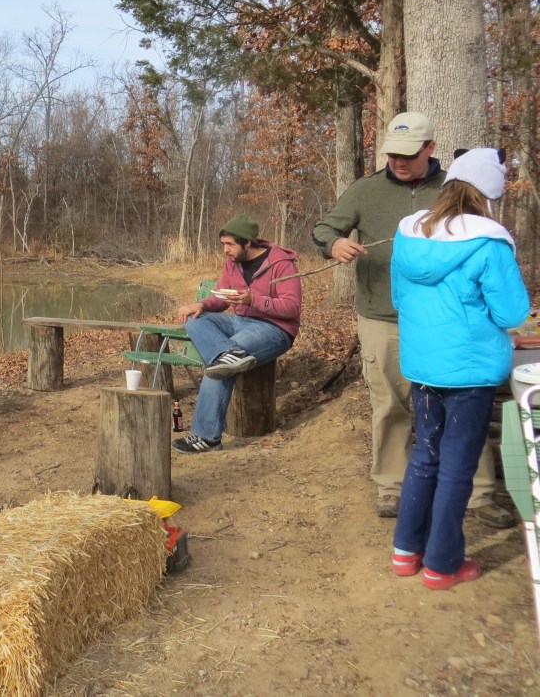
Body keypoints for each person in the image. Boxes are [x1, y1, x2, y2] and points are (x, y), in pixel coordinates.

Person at [312, 112, 513, 526]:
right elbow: (324, 229)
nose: (399, 162)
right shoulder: (365, 190)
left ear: (430, 149)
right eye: (392, 154)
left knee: (464, 406)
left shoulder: (456, 188)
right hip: (382, 317)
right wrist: (334, 245)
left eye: (408, 154)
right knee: (390, 403)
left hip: (449, 322)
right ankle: (392, 485)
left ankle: (480, 494)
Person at [389, 149, 528, 589]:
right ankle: (442, 564)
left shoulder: (410, 234)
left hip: (424, 366)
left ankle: (406, 552)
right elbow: (511, 313)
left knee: (426, 454)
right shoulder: (488, 242)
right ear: (489, 193)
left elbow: (398, 299)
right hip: (470, 373)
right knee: (456, 466)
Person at [172, 214, 302, 453]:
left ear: (248, 243)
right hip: (238, 321)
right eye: (223, 244)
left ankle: (206, 438)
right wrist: (201, 305)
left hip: (274, 328)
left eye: (229, 244)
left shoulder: (281, 263)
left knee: (219, 368)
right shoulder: (232, 262)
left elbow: (292, 308)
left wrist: (255, 299)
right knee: (196, 321)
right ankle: (228, 354)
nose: (225, 250)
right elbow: (221, 298)